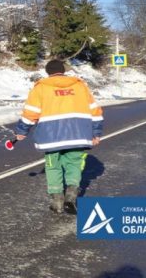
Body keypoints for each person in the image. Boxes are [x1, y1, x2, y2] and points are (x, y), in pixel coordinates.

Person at [14, 59, 103, 213]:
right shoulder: (80, 86)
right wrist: (96, 133)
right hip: (78, 135)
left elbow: (30, 113)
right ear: (63, 71)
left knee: (53, 166)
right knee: (74, 164)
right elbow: (95, 111)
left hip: (50, 138)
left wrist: (21, 132)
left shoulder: (41, 88)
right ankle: (71, 195)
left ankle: (57, 201)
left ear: (47, 72)